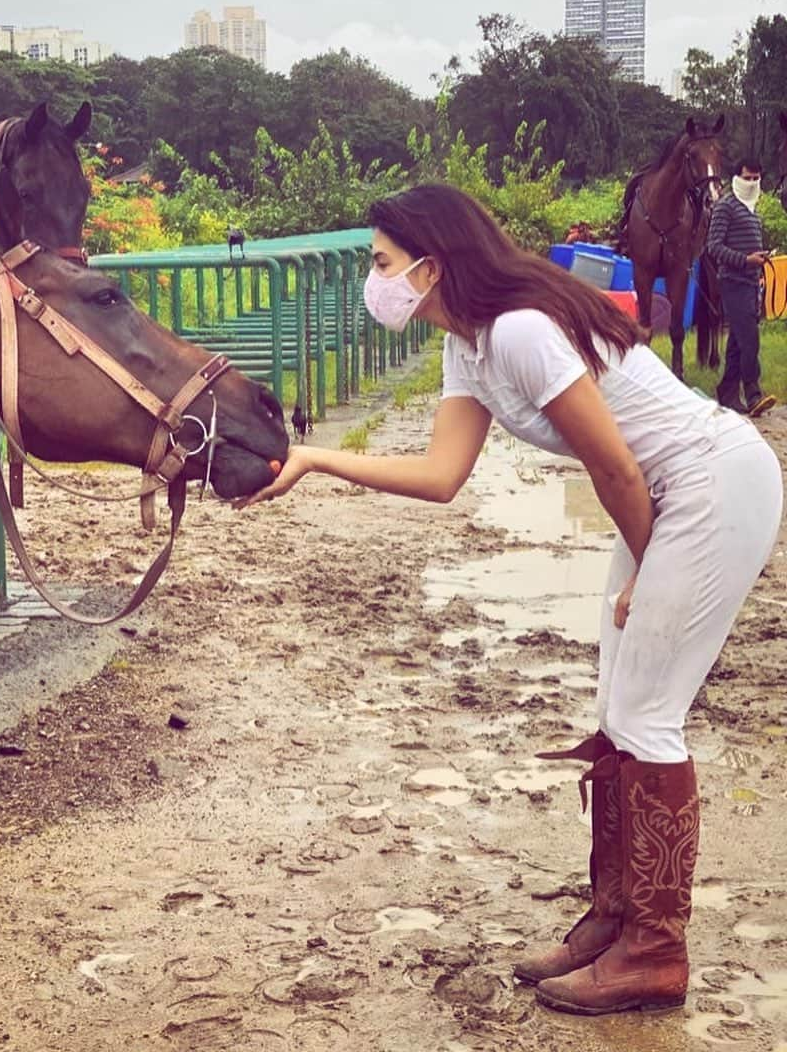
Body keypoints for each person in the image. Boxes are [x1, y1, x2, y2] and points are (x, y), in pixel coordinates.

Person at [235, 184, 783, 1017]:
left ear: (431, 264)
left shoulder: (522, 332)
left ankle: (656, 954)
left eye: (382, 263)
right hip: (668, 495)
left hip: (712, 483)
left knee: (648, 716)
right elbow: (441, 477)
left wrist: (645, 568)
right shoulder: (469, 346)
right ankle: (614, 921)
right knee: (618, 709)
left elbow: (615, 468)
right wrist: (314, 460)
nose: (374, 279)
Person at [708, 157, 777, 417]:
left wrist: (758, 259)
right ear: (737, 176)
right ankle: (752, 392)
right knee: (750, 338)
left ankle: (727, 392)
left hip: (750, 282)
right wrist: (745, 260)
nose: (752, 182)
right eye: (747, 177)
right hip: (733, 282)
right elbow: (713, 246)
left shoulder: (752, 207)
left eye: (756, 178)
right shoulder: (726, 206)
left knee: (737, 341)